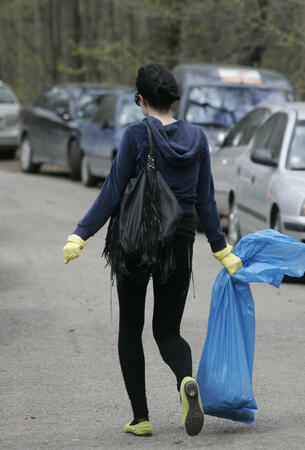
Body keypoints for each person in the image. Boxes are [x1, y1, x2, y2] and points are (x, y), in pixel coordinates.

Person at [62, 64, 242, 437]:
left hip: (136, 239)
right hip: (180, 241)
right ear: (173, 98)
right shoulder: (197, 138)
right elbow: (207, 201)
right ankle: (185, 379)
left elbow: (112, 192)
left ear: (140, 99)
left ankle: (141, 418)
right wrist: (221, 249)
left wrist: (81, 234)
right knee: (167, 330)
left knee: (131, 327)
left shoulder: (135, 135)